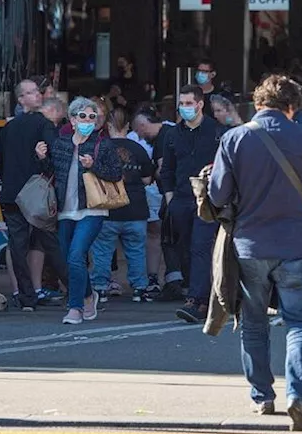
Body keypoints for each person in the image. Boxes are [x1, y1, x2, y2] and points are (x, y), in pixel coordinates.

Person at [207, 74, 302, 431]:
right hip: (296, 243)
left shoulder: (234, 139)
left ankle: (262, 395)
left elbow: (217, 196)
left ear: (257, 102)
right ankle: (298, 394)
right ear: (292, 106)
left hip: (250, 245)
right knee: (301, 322)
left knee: (253, 322)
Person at [36, 97, 123, 324]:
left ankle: (74, 307)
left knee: (76, 254)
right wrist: (41, 157)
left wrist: (92, 165)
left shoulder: (102, 145)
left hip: (92, 210)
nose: (87, 120)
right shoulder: (61, 143)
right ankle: (88, 295)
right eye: (82, 116)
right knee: (68, 258)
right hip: (65, 210)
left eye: (92, 117)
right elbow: (50, 172)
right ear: (72, 120)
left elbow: (116, 174)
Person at [0, 78, 65, 311]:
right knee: (50, 243)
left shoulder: (10, 127)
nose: (37, 95)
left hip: (12, 194)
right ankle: (78, 291)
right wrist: (42, 168)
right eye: (31, 92)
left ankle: (26, 295)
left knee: (18, 246)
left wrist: (9, 177)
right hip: (36, 194)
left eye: (37, 91)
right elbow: (55, 158)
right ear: (21, 99)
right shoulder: (44, 125)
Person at [161, 85, 225, 321]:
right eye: (182, 103)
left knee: (200, 246)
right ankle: (199, 294)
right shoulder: (172, 134)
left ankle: (197, 300)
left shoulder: (216, 131)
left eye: (189, 103)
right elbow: (167, 169)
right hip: (180, 199)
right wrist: (170, 199)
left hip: (208, 199)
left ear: (200, 104)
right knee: (185, 248)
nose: (184, 108)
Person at [89, 106, 154, 303]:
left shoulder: (100, 148)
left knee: (102, 250)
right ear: (127, 126)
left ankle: (100, 287)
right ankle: (139, 288)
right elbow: (147, 179)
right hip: (135, 208)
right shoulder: (138, 149)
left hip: (107, 208)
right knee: (136, 251)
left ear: (108, 126)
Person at [133, 109, 174, 298]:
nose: (140, 136)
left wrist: (149, 173)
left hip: (169, 194)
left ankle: (175, 281)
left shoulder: (162, 138)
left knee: (166, 237)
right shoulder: (168, 133)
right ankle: (177, 280)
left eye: (139, 131)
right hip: (169, 194)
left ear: (143, 125)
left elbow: (163, 169)